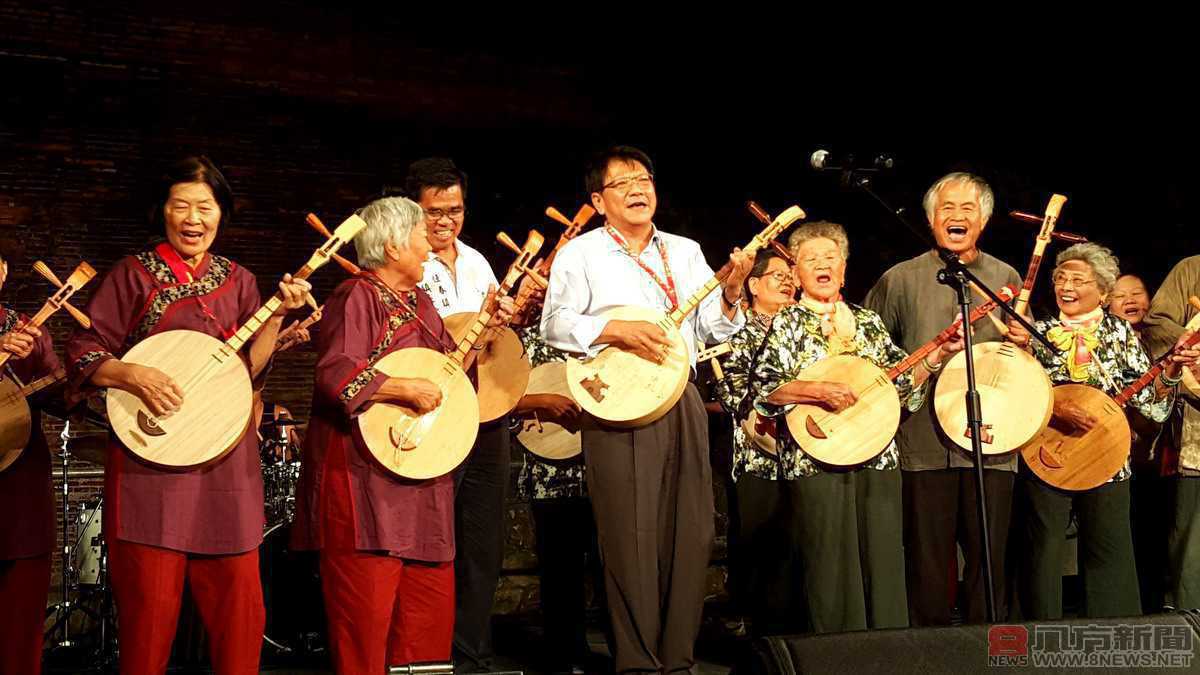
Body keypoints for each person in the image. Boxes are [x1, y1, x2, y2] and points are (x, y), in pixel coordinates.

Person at [65, 156, 310, 674]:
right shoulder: (132, 275)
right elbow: (86, 346)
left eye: (205, 206)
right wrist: (133, 375)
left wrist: (280, 313)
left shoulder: (241, 280)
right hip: (151, 461)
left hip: (225, 461)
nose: (193, 218)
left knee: (241, 612)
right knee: (149, 620)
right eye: (182, 206)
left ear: (221, 213)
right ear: (163, 211)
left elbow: (249, 370)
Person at [540, 146, 750, 672]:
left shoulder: (683, 250)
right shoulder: (582, 254)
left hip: (681, 394)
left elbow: (713, 331)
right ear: (599, 199)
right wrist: (614, 329)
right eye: (623, 182)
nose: (638, 189)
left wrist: (731, 294)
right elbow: (554, 324)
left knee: (692, 527)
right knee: (629, 533)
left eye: (645, 179)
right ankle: (636, 661)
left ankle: (678, 658)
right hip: (620, 400)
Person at [752, 221, 963, 632]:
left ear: (845, 269)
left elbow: (900, 385)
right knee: (829, 563)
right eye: (811, 259)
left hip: (875, 452)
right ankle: (836, 655)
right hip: (815, 455)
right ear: (796, 274)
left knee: (883, 557)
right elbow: (765, 389)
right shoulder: (787, 323)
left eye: (831, 257)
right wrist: (816, 390)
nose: (822, 265)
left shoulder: (867, 322)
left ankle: (887, 652)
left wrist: (936, 357)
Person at [863, 171, 1022, 624]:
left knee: (988, 560)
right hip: (923, 442)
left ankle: (986, 647)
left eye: (967, 208)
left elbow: (1019, 358)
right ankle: (931, 651)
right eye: (946, 208)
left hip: (993, 441)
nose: (956, 216)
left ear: (984, 220)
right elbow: (872, 354)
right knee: (927, 559)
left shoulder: (1004, 278)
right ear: (931, 219)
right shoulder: (900, 279)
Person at [1006, 243, 1196, 618]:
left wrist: (1171, 370)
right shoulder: (1034, 333)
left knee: (1109, 549)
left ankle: (1115, 642)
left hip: (1107, 453)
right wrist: (1052, 399)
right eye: (1061, 278)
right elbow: (1016, 392)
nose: (1067, 286)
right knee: (1042, 549)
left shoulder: (1121, 334)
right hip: (1047, 453)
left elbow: (1152, 405)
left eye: (1079, 279)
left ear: (1104, 291)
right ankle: (1037, 637)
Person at [711, 248, 798, 636]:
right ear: (753, 285)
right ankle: (762, 637)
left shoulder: (804, 330)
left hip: (810, 454)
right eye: (776, 275)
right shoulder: (738, 333)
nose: (786, 280)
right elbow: (729, 391)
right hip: (758, 456)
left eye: (789, 275)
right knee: (762, 547)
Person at [0, 253, 61, 675]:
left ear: (3, 271)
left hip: (18, 483)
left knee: (21, 618)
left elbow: (60, 391)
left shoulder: (29, 329)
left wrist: (92, 369)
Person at [1142, 255, 1200, 610]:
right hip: (1198, 431)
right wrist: (1193, 342)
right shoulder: (1192, 269)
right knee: (1193, 538)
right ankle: (1189, 615)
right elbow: (1158, 323)